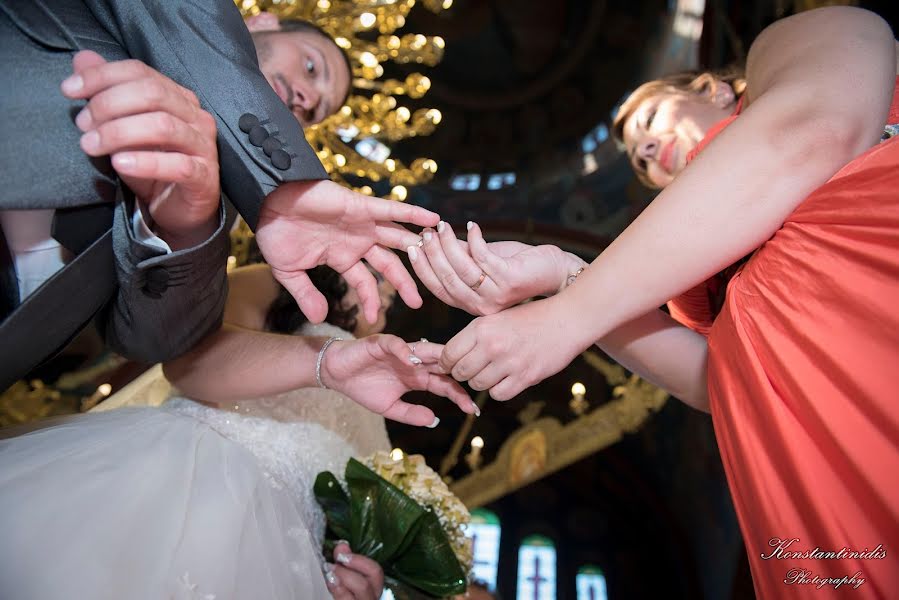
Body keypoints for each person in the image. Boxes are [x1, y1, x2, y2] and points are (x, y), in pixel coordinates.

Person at [410, 6, 898, 598]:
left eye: (650, 121)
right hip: (814, 453)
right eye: (640, 161)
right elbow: (718, 382)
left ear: (712, 87)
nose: (645, 153)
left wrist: (567, 317)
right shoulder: (687, 274)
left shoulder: (789, 42)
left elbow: (813, 131)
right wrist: (563, 275)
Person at [0, 0, 434, 390]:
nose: (306, 96)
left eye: (314, 110)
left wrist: (186, 226)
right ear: (264, 21)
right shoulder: (149, 17)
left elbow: (156, 341)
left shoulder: (216, 223)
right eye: (311, 67)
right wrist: (287, 187)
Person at [0, 262, 470, 599]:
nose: (390, 294)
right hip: (196, 486)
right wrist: (326, 362)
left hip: (287, 561)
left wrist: (365, 577)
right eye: (386, 273)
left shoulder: (383, 386)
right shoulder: (282, 284)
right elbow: (187, 366)